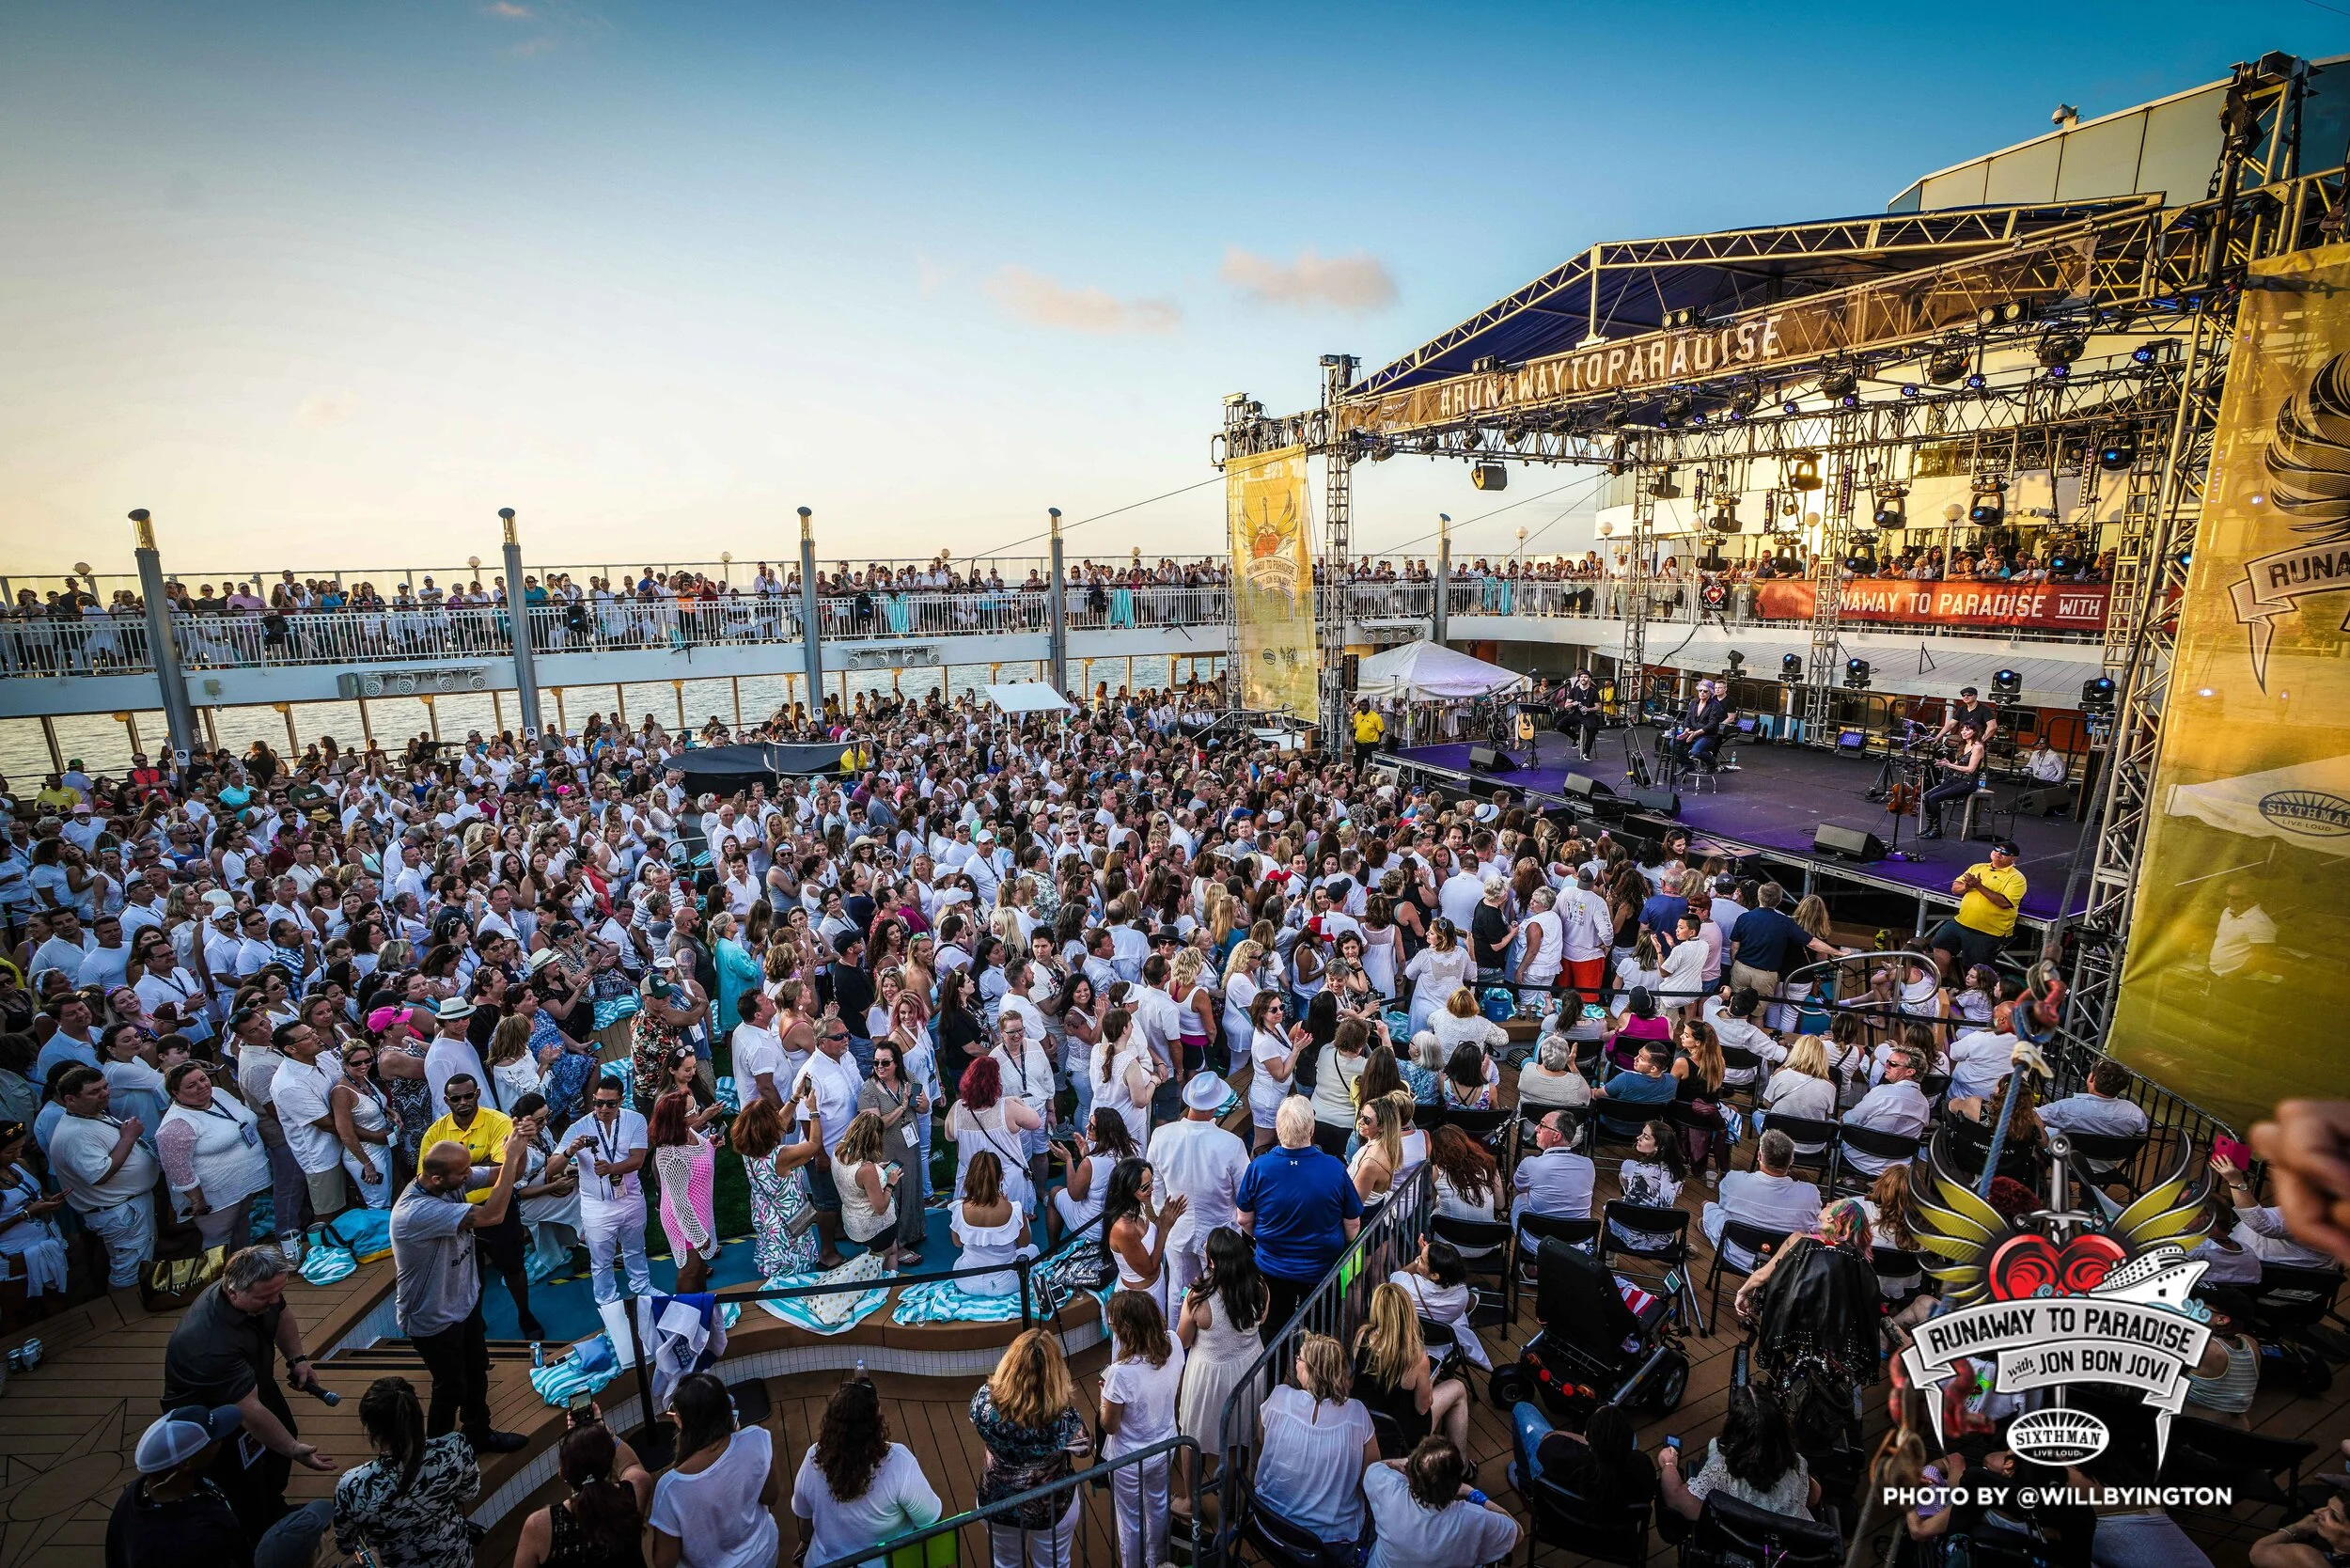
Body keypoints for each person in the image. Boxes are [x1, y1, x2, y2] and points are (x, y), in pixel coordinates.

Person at [160, 1245, 338, 1540]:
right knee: (243, 1476)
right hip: (212, 1417)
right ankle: (257, 1535)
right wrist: (295, 1450)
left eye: (278, 1291)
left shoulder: (258, 1291)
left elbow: (281, 1312)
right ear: (233, 1292)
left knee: (280, 1443)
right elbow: (248, 1412)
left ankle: (273, 1508)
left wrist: (297, 1359)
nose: (274, 1300)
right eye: (265, 1297)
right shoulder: (208, 1342)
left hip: (250, 1384)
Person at [387, 1124, 530, 1450]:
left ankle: (478, 1434)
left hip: (463, 1303)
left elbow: (503, 1174)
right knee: (450, 1386)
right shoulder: (416, 1211)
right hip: (432, 1317)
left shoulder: (449, 1179)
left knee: (477, 1370)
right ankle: (435, 1453)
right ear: (437, 1178)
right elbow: (493, 1214)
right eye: (463, 1173)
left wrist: (518, 1147)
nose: (469, 1177)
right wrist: (510, 1159)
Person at [107, 1403, 333, 1568]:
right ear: (187, 1462)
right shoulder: (188, 1541)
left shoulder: (142, 1491)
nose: (222, 1439)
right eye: (214, 1439)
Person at [1237, 1097, 1364, 1338]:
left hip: (1272, 1267)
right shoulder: (1334, 1168)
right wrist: (1344, 1246)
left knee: (1273, 1331)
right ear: (1311, 1130)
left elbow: (1243, 1219)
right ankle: (1315, 1372)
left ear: (1278, 1129)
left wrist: (1263, 1238)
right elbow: (1353, 1222)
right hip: (1321, 1269)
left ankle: (1276, 1375)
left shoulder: (1259, 1167)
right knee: (1320, 1335)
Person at [789, 1376, 943, 1568]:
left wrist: (805, 1542)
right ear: (876, 1424)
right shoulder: (899, 1462)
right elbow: (930, 1520)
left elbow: (804, 1514)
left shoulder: (813, 1457)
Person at [331, 1375, 480, 1568]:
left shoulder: (352, 1484)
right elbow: (470, 1492)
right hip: (454, 1558)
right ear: (418, 1416)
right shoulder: (454, 1448)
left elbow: (347, 1543)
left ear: (372, 1430)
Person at [971, 1329, 1090, 1568]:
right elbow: (1085, 1448)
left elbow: (975, 1418)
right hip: (1051, 1509)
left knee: (1005, 1563)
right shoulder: (1064, 1420)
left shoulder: (984, 1402)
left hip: (997, 1503)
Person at [647, 1372, 784, 1568]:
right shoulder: (758, 1438)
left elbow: (664, 1562)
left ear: (680, 1421)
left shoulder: (670, 1489)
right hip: (764, 1555)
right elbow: (771, 1497)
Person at [1254, 1331, 1378, 1544]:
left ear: (1313, 1371)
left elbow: (1261, 1438)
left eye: (1299, 1358)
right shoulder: (1357, 1414)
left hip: (1268, 1522)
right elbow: (1370, 1474)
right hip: (1325, 1540)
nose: (1296, 1361)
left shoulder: (1279, 1396)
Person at [1173, 1226, 1267, 1504]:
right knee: (1238, 1437)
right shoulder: (1259, 1287)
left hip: (1210, 1375)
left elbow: (1184, 1341)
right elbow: (1260, 1322)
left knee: (1192, 1436)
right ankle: (1230, 1498)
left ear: (1212, 1262)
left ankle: (1191, 1500)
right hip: (1248, 1370)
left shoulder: (1199, 1297)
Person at [49, 1062, 160, 1288]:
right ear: (70, 1099)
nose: (104, 1094)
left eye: (105, 1087)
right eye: (94, 1092)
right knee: (128, 1273)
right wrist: (128, 1138)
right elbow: (100, 1174)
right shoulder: (74, 1134)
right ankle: (128, 1318)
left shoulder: (91, 1116)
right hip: (119, 1213)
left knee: (139, 1263)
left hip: (128, 1207)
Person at [1101, 1290, 1187, 1568]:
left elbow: (1110, 1425)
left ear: (1125, 1330)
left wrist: (1105, 1399)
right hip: (1164, 1445)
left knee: (1130, 1522)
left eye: (1113, 1324)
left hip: (1129, 1458)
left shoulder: (1120, 1373)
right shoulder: (1173, 1343)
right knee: (1159, 1506)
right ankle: (1156, 1561)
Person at [1146, 1070, 1249, 1300]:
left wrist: (1168, 1219)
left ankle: (1176, 1334)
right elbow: (1245, 1196)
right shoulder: (1232, 1145)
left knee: (1178, 1291)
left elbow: (1157, 1190)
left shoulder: (1161, 1136)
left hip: (1177, 1229)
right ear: (1216, 1105)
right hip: (1220, 1235)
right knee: (1220, 1295)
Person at [511, 1406, 653, 1568]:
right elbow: (631, 1465)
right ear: (609, 1463)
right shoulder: (632, 1493)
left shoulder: (540, 1525)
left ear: (562, 1474)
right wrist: (605, 1432)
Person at [1657, 1384, 1818, 1522]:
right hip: (1787, 1549)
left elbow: (1677, 1501)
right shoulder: (1796, 1463)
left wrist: (1669, 1464)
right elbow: (1814, 1497)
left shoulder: (1720, 1468)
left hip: (1738, 1547)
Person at [156, 1060, 270, 1252]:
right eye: (191, 1086)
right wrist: (197, 1200)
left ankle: (244, 1272)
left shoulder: (218, 1093)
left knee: (242, 1228)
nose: (202, 1086)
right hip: (217, 1195)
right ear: (175, 1093)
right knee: (218, 1242)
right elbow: (178, 1170)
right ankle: (219, 1280)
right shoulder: (176, 1125)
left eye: (203, 1079)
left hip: (245, 1183)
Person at [560, 1078, 655, 1306]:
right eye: (599, 1103)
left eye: (611, 1104)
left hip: (631, 1197)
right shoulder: (578, 1127)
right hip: (597, 1205)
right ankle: (607, 1301)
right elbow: (553, 1166)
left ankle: (642, 1287)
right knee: (601, 1260)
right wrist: (568, 1152)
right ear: (593, 1099)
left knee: (635, 1249)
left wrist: (611, 1168)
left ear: (622, 1101)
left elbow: (638, 1160)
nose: (603, 1109)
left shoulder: (635, 1120)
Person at [1362, 1435, 1521, 1568]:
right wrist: (1473, 1493)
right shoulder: (1472, 1518)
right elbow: (1517, 1533)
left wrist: (1407, 1463)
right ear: (1456, 1482)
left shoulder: (1389, 1487)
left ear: (1411, 1474)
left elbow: (1375, 1467)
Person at [730, 1092, 825, 1281]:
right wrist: (813, 1111)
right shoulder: (782, 1156)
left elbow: (777, 1124)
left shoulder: (747, 1147)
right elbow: (814, 1145)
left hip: (766, 1218)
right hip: (789, 1224)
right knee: (790, 1279)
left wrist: (794, 1098)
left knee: (776, 1272)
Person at [1509, 1402, 1657, 1517]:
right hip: (1611, 1525)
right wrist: (1669, 1463)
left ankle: (1528, 1489)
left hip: (1562, 1510)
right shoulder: (1643, 1467)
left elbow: (1549, 1438)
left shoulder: (1560, 1455)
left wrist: (1589, 1441)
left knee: (1522, 1409)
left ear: (1587, 1438)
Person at [1703, 1127, 1822, 1270]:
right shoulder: (1810, 1194)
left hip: (1736, 1255)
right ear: (1791, 1160)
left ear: (1759, 1156)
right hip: (1785, 1263)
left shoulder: (1734, 1181)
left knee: (1710, 1207)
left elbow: (1724, 1206)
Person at [860, 1039, 930, 1265]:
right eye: (876, 1062)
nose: (880, 1067)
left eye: (885, 1062)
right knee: (894, 1195)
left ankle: (913, 1232)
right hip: (886, 1152)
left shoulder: (908, 1078)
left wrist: (917, 1103)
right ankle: (895, 1245)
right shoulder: (869, 1089)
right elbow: (877, 1124)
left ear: (896, 1063)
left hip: (910, 1147)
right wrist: (902, 1105)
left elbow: (924, 1107)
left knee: (911, 1189)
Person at [649, 1086, 723, 1292]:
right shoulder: (671, 1155)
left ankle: (701, 1310)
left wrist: (710, 1144)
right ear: (678, 1119)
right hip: (684, 1220)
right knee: (689, 1270)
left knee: (699, 1267)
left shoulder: (689, 1133)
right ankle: (684, 1317)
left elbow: (697, 1158)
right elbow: (679, 1203)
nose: (698, 1111)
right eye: (692, 1111)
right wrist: (698, 1237)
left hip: (699, 1210)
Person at [1928, 839, 2026, 979]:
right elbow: (1955, 888)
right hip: (1961, 922)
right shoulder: (1978, 867)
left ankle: (1976, 993)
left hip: (1988, 931)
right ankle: (1941, 979)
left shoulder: (2016, 878)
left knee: (1977, 966)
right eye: (1997, 849)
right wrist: (1967, 887)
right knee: (1940, 943)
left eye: (2004, 852)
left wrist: (1979, 886)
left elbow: (2004, 902)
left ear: (2013, 858)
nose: (1999, 853)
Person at [0, 1119, 69, 1305]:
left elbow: (39, 1192)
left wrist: (49, 1200)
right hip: (13, 1255)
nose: (17, 1154)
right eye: (10, 1152)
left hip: (47, 1241)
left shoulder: (20, 1164)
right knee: (18, 1308)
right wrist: (27, 1214)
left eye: (20, 1148)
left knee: (54, 1300)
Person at [831, 1108, 905, 1271]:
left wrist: (877, 1169)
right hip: (874, 1227)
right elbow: (880, 1207)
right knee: (885, 1258)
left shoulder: (839, 1150)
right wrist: (891, 1183)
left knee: (890, 1250)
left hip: (852, 1220)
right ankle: (888, 1288)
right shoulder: (867, 1169)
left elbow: (854, 1179)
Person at [951, 1151, 1034, 1295]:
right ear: (1001, 1177)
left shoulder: (959, 1208)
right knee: (1033, 1250)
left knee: (961, 1259)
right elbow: (1024, 1243)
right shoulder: (1014, 1209)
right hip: (1006, 1283)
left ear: (970, 1177)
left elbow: (957, 1243)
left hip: (967, 1282)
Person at [1511, 1109, 1595, 1223]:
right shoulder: (1588, 1165)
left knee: (1520, 1198)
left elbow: (1519, 1187)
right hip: (1577, 1238)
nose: (1536, 1128)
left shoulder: (1530, 1164)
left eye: (1542, 1125)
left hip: (1536, 1238)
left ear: (1556, 1136)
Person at [1350, 698, 1385, 771]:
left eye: (1366, 705)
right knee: (1357, 766)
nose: (1364, 707)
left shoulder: (1376, 717)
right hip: (1359, 745)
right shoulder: (1357, 715)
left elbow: (1381, 731)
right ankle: (1357, 780)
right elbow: (1355, 728)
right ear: (1359, 706)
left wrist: (1374, 738)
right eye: (1362, 705)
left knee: (1371, 766)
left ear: (1369, 706)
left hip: (1371, 745)